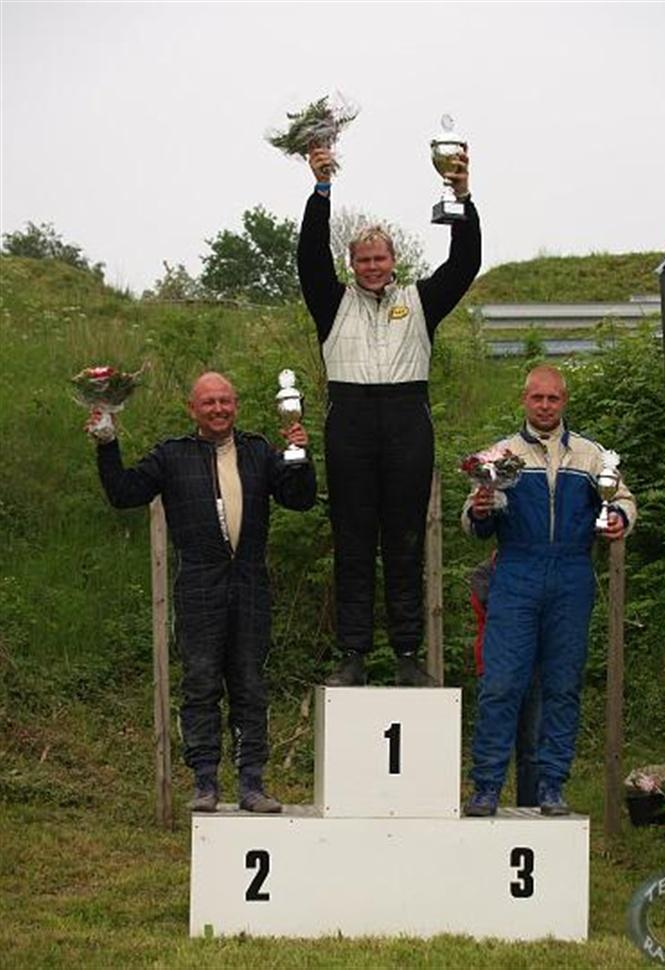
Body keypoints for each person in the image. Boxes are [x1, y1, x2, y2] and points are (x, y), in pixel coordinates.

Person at [87, 372, 316, 813]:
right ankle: (205, 782)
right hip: (197, 585)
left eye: (225, 401)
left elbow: (300, 499)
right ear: (192, 410)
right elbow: (123, 493)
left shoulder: (258, 451)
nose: (218, 409)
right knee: (201, 684)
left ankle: (252, 784)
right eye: (208, 402)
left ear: (236, 406)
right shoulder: (172, 455)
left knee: (250, 684)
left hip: (250, 582)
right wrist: (107, 443)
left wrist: (300, 455)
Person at [297, 145, 481, 687]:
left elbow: (465, 263)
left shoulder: (422, 301)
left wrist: (463, 198)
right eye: (363, 260)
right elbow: (308, 255)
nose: (372, 268)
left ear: (393, 260)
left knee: (404, 542)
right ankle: (353, 655)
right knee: (353, 541)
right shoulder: (331, 302)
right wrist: (321, 190)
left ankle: (406, 655)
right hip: (350, 421)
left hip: (406, 422)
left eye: (380, 259)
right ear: (351, 265)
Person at [461, 365, 636, 816]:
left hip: (571, 573)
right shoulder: (500, 455)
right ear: (524, 400)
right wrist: (480, 508)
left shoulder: (592, 456)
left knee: (562, 686)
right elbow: (472, 520)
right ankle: (486, 788)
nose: (544, 406)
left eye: (552, 399)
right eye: (536, 398)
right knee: (501, 684)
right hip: (516, 569)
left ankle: (551, 787)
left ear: (564, 400)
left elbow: (623, 499)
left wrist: (618, 517)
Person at [469, 559, 541, 808]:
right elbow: (499, 610)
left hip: (536, 666)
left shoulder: (543, 570)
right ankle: (485, 796)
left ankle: (531, 806)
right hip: (495, 666)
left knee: (532, 746)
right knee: (492, 738)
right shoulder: (484, 573)